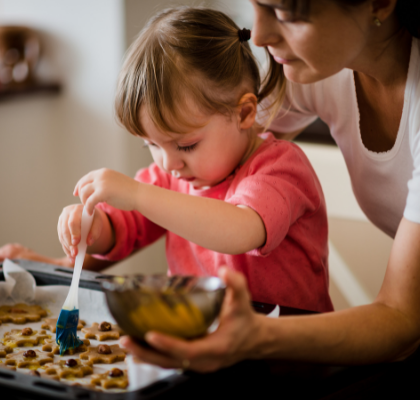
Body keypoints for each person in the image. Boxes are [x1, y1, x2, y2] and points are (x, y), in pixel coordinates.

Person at [115, 0, 420, 397]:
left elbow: (399, 317)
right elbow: (211, 146)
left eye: (285, 12)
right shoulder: (315, 60)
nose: (259, 35)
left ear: (380, 2)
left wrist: (253, 337)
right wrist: (91, 243)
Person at [56, 7, 332, 312]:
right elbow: (122, 230)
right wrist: (91, 228)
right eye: (151, 145)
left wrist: (137, 194)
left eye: (185, 145)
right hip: (204, 345)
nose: (168, 163)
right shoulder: (169, 178)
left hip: (290, 349)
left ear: (244, 113)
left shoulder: (281, 168)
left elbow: (241, 231)